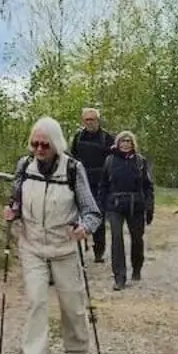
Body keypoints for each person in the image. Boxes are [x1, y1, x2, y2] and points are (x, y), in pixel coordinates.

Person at [4, 117, 103, 354]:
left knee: (72, 304)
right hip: (32, 244)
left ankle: (77, 352)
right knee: (36, 301)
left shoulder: (73, 168)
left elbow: (92, 211)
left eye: (44, 145)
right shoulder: (24, 166)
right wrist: (12, 210)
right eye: (34, 144)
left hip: (65, 245)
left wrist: (85, 227)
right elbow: (15, 198)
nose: (38, 149)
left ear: (56, 144)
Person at [98, 130, 155, 291]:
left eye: (128, 141)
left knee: (137, 239)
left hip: (136, 204)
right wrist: (101, 207)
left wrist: (149, 207)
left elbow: (148, 186)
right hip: (115, 205)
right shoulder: (109, 161)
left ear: (133, 144)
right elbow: (103, 185)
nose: (125, 144)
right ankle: (119, 277)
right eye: (122, 141)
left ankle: (137, 268)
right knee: (117, 240)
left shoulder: (140, 161)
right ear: (117, 143)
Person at [69, 107, 115, 263]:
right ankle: (79, 249)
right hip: (80, 181)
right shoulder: (78, 137)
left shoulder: (107, 138)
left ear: (98, 120)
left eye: (92, 119)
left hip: (100, 184)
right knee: (77, 216)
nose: (89, 122)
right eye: (86, 119)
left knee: (98, 216)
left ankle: (99, 251)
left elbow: (112, 162)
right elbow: (72, 159)